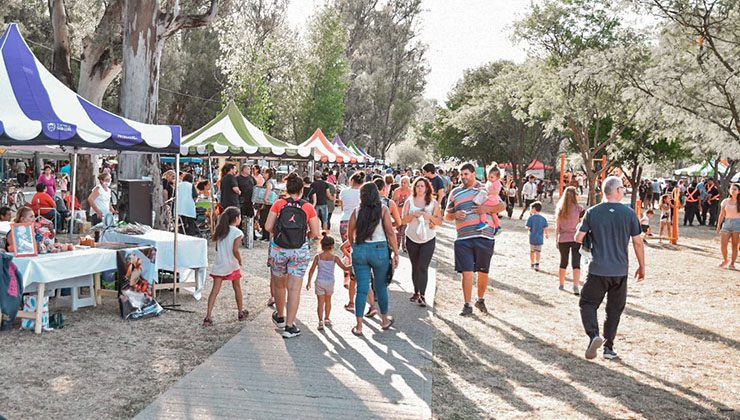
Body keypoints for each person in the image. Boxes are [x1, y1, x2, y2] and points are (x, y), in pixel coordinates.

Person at [575, 176, 645, 360]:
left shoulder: (592, 212)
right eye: (622, 188)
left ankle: (593, 335)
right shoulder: (629, 213)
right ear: (617, 191)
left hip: (598, 268)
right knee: (614, 310)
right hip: (620, 270)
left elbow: (578, 238)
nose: (624, 191)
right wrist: (642, 266)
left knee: (587, 303)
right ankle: (608, 348)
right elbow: (638, 242)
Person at [265, 173, 321, 338]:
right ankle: (290, 326)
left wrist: (281, 233)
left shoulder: (279, 204)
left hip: (279, 249)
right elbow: (316, 233)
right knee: (294, 288)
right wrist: (304, 236)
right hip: (299, 250)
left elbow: (268, 226)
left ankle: (280, 316)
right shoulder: (308, 207)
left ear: (287, 189)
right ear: (302, 190)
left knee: (279, 285)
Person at [445, 163, 505, 316]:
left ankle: (481, 299)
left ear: (473, 174)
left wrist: (487, 209)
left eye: (466, 174)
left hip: (484, 236)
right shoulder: (455, 192)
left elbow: (502, 205)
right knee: (467, 271)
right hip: (463, 238)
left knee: (483, 271)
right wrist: (455, 215)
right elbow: (447, 215)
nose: (463, 177)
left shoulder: (485, 188)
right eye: (461, 174)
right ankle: (467, 304)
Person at [346, 182, 399, 336]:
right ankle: (384, 320)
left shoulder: (357, 211)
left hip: (360, 250)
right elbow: (390, 232)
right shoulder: (383, 209)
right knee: (381, 286)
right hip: (379, 251)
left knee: (361, 289)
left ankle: (359, 326)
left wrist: (353, 246)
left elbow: (350, 232)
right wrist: (395, 252)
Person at [401, 176, 442, 306]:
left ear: (427, 188)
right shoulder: (409, 202)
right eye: (417, 186)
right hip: (412, 238)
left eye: (422, 186)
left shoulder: (434, 203)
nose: (420, 188)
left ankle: (423, 296)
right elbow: (403, 220)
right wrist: (414, 215)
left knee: (423, 267)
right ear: (414, 187)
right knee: (415, 266)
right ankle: (416, 291)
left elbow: (439, 221)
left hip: (428, 238)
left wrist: (428, 217)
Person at [203, 207, 247, 327]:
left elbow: (218, 248)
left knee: (214, 291)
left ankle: (208, 316)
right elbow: (235, 250)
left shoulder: (221, 231)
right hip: (232, 263)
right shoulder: (237, 232)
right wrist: (239, 259)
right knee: (237, 288)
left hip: (220, 263)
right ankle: (240, 312)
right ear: (237, 219)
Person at [306, 233, 352, 330]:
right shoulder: (335, 258)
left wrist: (309, 282)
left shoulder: (318, 257)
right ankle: (327, 318)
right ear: (332, 246)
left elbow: (311, 270)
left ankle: (320, 321)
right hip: (330, 282)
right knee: (328, 301)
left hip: (319, 281)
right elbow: (345, 268)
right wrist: (354, 265)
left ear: (321, 245)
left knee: (320, 303)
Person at [339, 171, 364, 312]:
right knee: (355, 248)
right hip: (358, 222)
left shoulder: (344, 192)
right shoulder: (362, 192)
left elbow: (342, 207)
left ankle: (346, 277)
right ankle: (355, 274)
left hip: (345, 220)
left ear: (352, 180)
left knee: (346, 249)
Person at [555, 186, 584, 294]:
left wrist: (556, 239)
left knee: (563, 261)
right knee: (576, 263)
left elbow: (557, 226)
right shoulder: (579, 209)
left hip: (563, 238)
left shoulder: (560, 209)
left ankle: (561, 284)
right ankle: (575, 286)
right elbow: (582, 225)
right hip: (576, 238)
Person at [717, 183, 739, 269]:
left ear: (738, 191)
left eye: (735, 189)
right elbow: (722, 214)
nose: (732, 191)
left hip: (737, 224)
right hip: (727, 223)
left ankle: (732, 263)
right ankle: (725, 259)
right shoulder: (725, 201)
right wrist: (718, 225)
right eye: (731, 189)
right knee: (723, 244)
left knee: (734, 245)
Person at [474, 166, 503, 232]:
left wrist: (488, 192)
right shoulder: (490, 182)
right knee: (493, 213)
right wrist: (483, 188)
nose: (489, 178)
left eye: (491, 177)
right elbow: (486, 188)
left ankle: (483, 222)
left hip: (493, 200)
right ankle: (497, 226)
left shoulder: (497, 183)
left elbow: (496, 191)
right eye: (488, 176)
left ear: (497, 177)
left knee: (483, 208)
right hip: (492, 199)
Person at [392, 176, 412, 253]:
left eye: (405, 183)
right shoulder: (397, 191)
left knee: (404, 232)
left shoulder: (411, 192)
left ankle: (404, 247)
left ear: (408, 184)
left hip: (406, 214)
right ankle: (396, 246)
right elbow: (392, 201)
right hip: (397, 214)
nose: (403, 184)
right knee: (397, 231)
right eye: (401, 182)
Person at [526, 202, 548, 271]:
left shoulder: (531, 218)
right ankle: (537, 263)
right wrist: (546, 234)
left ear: (534, 209)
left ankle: (532, 263)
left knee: (532, 251)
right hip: (540, 238)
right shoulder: (543, 218)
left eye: (531, 208)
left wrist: (528, 230)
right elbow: (545, 228)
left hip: (532, 237)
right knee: (538, 251)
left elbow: (528, 227)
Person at [258, 168, 276, 241]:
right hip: (268, 203)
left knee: (265, 218)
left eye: (264, 173)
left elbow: (269, 189)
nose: (263, 175)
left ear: (268, 174)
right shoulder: (268, 181)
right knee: (263, 218)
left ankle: (266, 236)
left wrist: (265, 198)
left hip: (268, 203)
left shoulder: (269, 182)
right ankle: (265, 235)